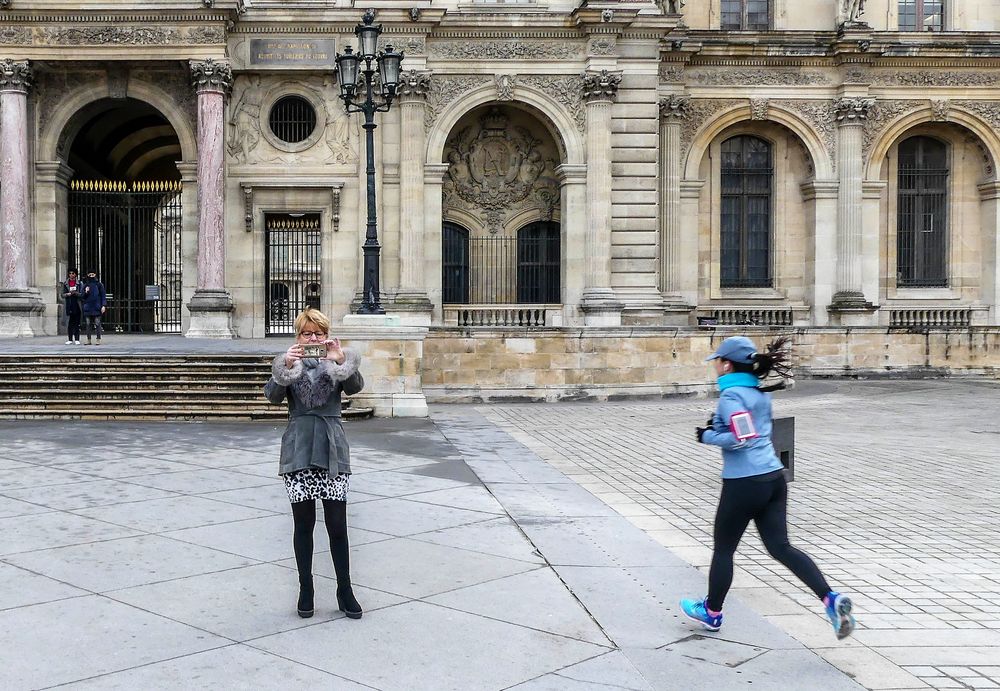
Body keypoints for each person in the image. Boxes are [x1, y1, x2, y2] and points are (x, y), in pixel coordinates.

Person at [680, 335, 856, 640]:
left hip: (743, 483)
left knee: (724, 550)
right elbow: (753, 431)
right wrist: (719, 426)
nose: (716, 368)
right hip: (774, 478)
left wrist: (707, 436)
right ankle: (830, 599)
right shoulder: (760, 394)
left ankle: (712, 612)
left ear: (726, 364)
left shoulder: (732, 396)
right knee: (781, 547)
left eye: (718, 362)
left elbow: (741, 437)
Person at [263, 308, 365, 620]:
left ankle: (344, 589)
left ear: (326, 334)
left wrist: (339, 360)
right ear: (298, 337)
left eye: (318, 333)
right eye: (307, 334)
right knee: (303, 524)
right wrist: (285, 367)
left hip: (333, 448)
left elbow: (356, 387)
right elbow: (272, 397)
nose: (313, 338)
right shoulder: (288, 363)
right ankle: (305, 587)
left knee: (337, 525)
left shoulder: (336, 362)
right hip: (299, 449)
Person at [81, 271, 106, 345]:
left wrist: (103, 305)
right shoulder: (85, 285)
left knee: (97, 323)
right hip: (88, 307)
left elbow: (103, 295)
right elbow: (82, 297)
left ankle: (98, 339)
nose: (91, 276)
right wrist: (86, 292)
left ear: (95, 275)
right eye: (90, 275)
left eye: (93, 274)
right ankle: (88, 340)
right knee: (88, 324)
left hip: (96, 306)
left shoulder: (99, 285)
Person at [61, 268, 83, 345]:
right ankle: (70, 339)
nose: (71, 275)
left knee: (77, 323)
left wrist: (76, 293)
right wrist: (67, 294)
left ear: (76, 274)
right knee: (69, 323)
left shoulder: (80, 283)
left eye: (73, 273)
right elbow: (62, 295)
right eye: (70, 273)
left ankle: (77, 338)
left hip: (77, 304)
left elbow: (82, 294)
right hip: (69, 304)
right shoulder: (65, 283)